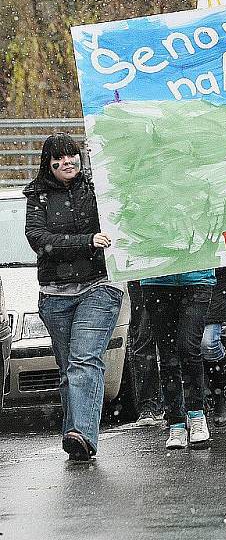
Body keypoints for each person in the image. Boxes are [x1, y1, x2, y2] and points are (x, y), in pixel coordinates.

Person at [24, 133, 124, 461]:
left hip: (99, 286)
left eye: (72, 156)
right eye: (59, 158)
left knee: (84, 360)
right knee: (69, 368)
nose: (67, 163)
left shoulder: (99, 188)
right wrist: (86, 240)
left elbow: (124, 220)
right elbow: (39, 238)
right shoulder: (37, 195)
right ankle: (76, 437)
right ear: (48, 163)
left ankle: (82, 432)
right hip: (55, 293)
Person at [141, 270, 215, 449]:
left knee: (188, 347)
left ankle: (197, 415)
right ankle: (176, 423)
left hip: (197, 276)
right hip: (156, 278)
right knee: (168, 356)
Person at [202, 266, 226, 427]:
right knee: (186, 345)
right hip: (182, 275)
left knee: (208, 342)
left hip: (216, 274)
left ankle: (219, 391)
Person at [127, 279, 163, 426]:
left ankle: (184, 402)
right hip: (141, 274)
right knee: (143, 339)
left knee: (177, 341)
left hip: (171, 271)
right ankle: (148, 404)